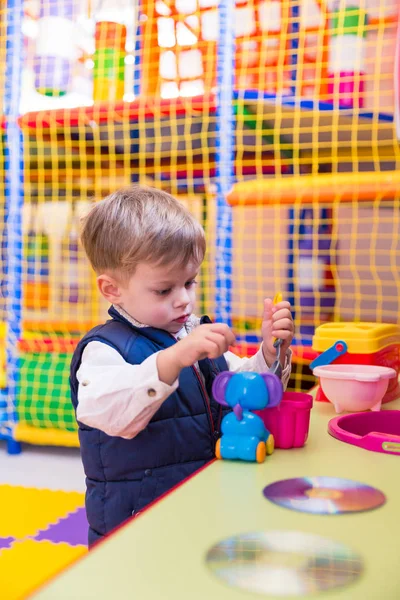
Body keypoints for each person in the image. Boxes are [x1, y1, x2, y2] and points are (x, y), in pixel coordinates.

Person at [70, 185, 295, 546]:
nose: (185, 300)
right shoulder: (104, 350)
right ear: (111, 289)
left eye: (189, 282)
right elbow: (112, 415)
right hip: (136, 527)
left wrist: (269, 352)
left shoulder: (189, 332)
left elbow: (239, 386)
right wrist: (173, 359)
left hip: (200, 501)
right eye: (164, 290)